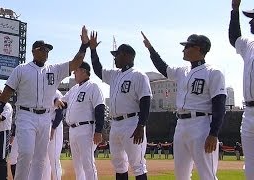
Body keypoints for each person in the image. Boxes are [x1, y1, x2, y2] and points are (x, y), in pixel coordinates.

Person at [0, 26, 89, 180]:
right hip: (25, 115)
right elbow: (8, 91)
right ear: (33, 51)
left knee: (40, 158)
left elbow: (75, 63)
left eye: (47, 50)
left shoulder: (54, 69)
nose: (46, 52)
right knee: (26, 153)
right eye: (42, 49)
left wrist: (84, 45)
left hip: (45, 117)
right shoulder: (22, 69)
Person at [141, 31, 227, 180]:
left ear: (199, 48)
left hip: (201, 124)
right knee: (181, 174)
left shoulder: (213, 72)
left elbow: (219, 105)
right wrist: (151, 49)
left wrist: (214, 134)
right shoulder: (183, 71)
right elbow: (163, 68)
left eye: (187, 46)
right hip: (181, 125)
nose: (183, 49)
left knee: (207, 174)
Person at [89, 31, 152, 180]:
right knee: (119, 164)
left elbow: (145, 101)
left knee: (137, 165)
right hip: (115, 124)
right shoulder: (115, 75)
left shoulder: (138, 75)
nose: (115, 58)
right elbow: (98, 70)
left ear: (126, 55)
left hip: (132, 123)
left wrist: (141, 126)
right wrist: (93, 50)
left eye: (117, 55)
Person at [55, 62, 105, 180]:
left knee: (87, 164)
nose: (73, 73)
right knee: (78, 166)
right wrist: (56, 100)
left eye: (76, 70)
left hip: (86, 128)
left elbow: (100, 108)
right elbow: (63, 102)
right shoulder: (74, 89)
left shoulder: (93, 86)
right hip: (73, 130)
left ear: (83, 71)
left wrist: (98, 131)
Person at [229, 0, 254, 178]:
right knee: (251, 165)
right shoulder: (249, 44)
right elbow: (234, 37)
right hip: (249, 112)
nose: (251, 21)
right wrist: (235, 10)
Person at [42, 90, 65, 180]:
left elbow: (60, 113)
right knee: (45, 160)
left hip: (54, 127)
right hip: (44, 126)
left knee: (54, 158)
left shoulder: (56, 92)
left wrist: (54, 128)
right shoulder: (42, 90)